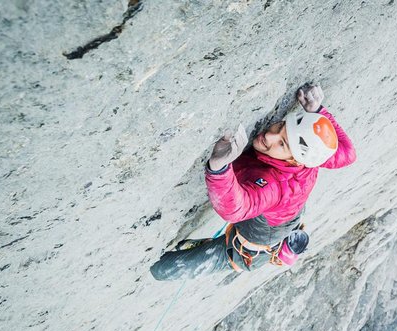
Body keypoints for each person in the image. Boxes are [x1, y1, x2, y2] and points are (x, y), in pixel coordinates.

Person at [150, 84, 356, 280]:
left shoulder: (273, 186)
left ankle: (250, 255)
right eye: (281, 126)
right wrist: (317, 111)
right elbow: (348, 154)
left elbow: (235, 209)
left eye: (282, 143)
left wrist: (219, 168)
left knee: (160, 269)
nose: (270, 135)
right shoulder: (309, 155)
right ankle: (283, 245)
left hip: (259, 234)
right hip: (286, 213)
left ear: (295, 160)